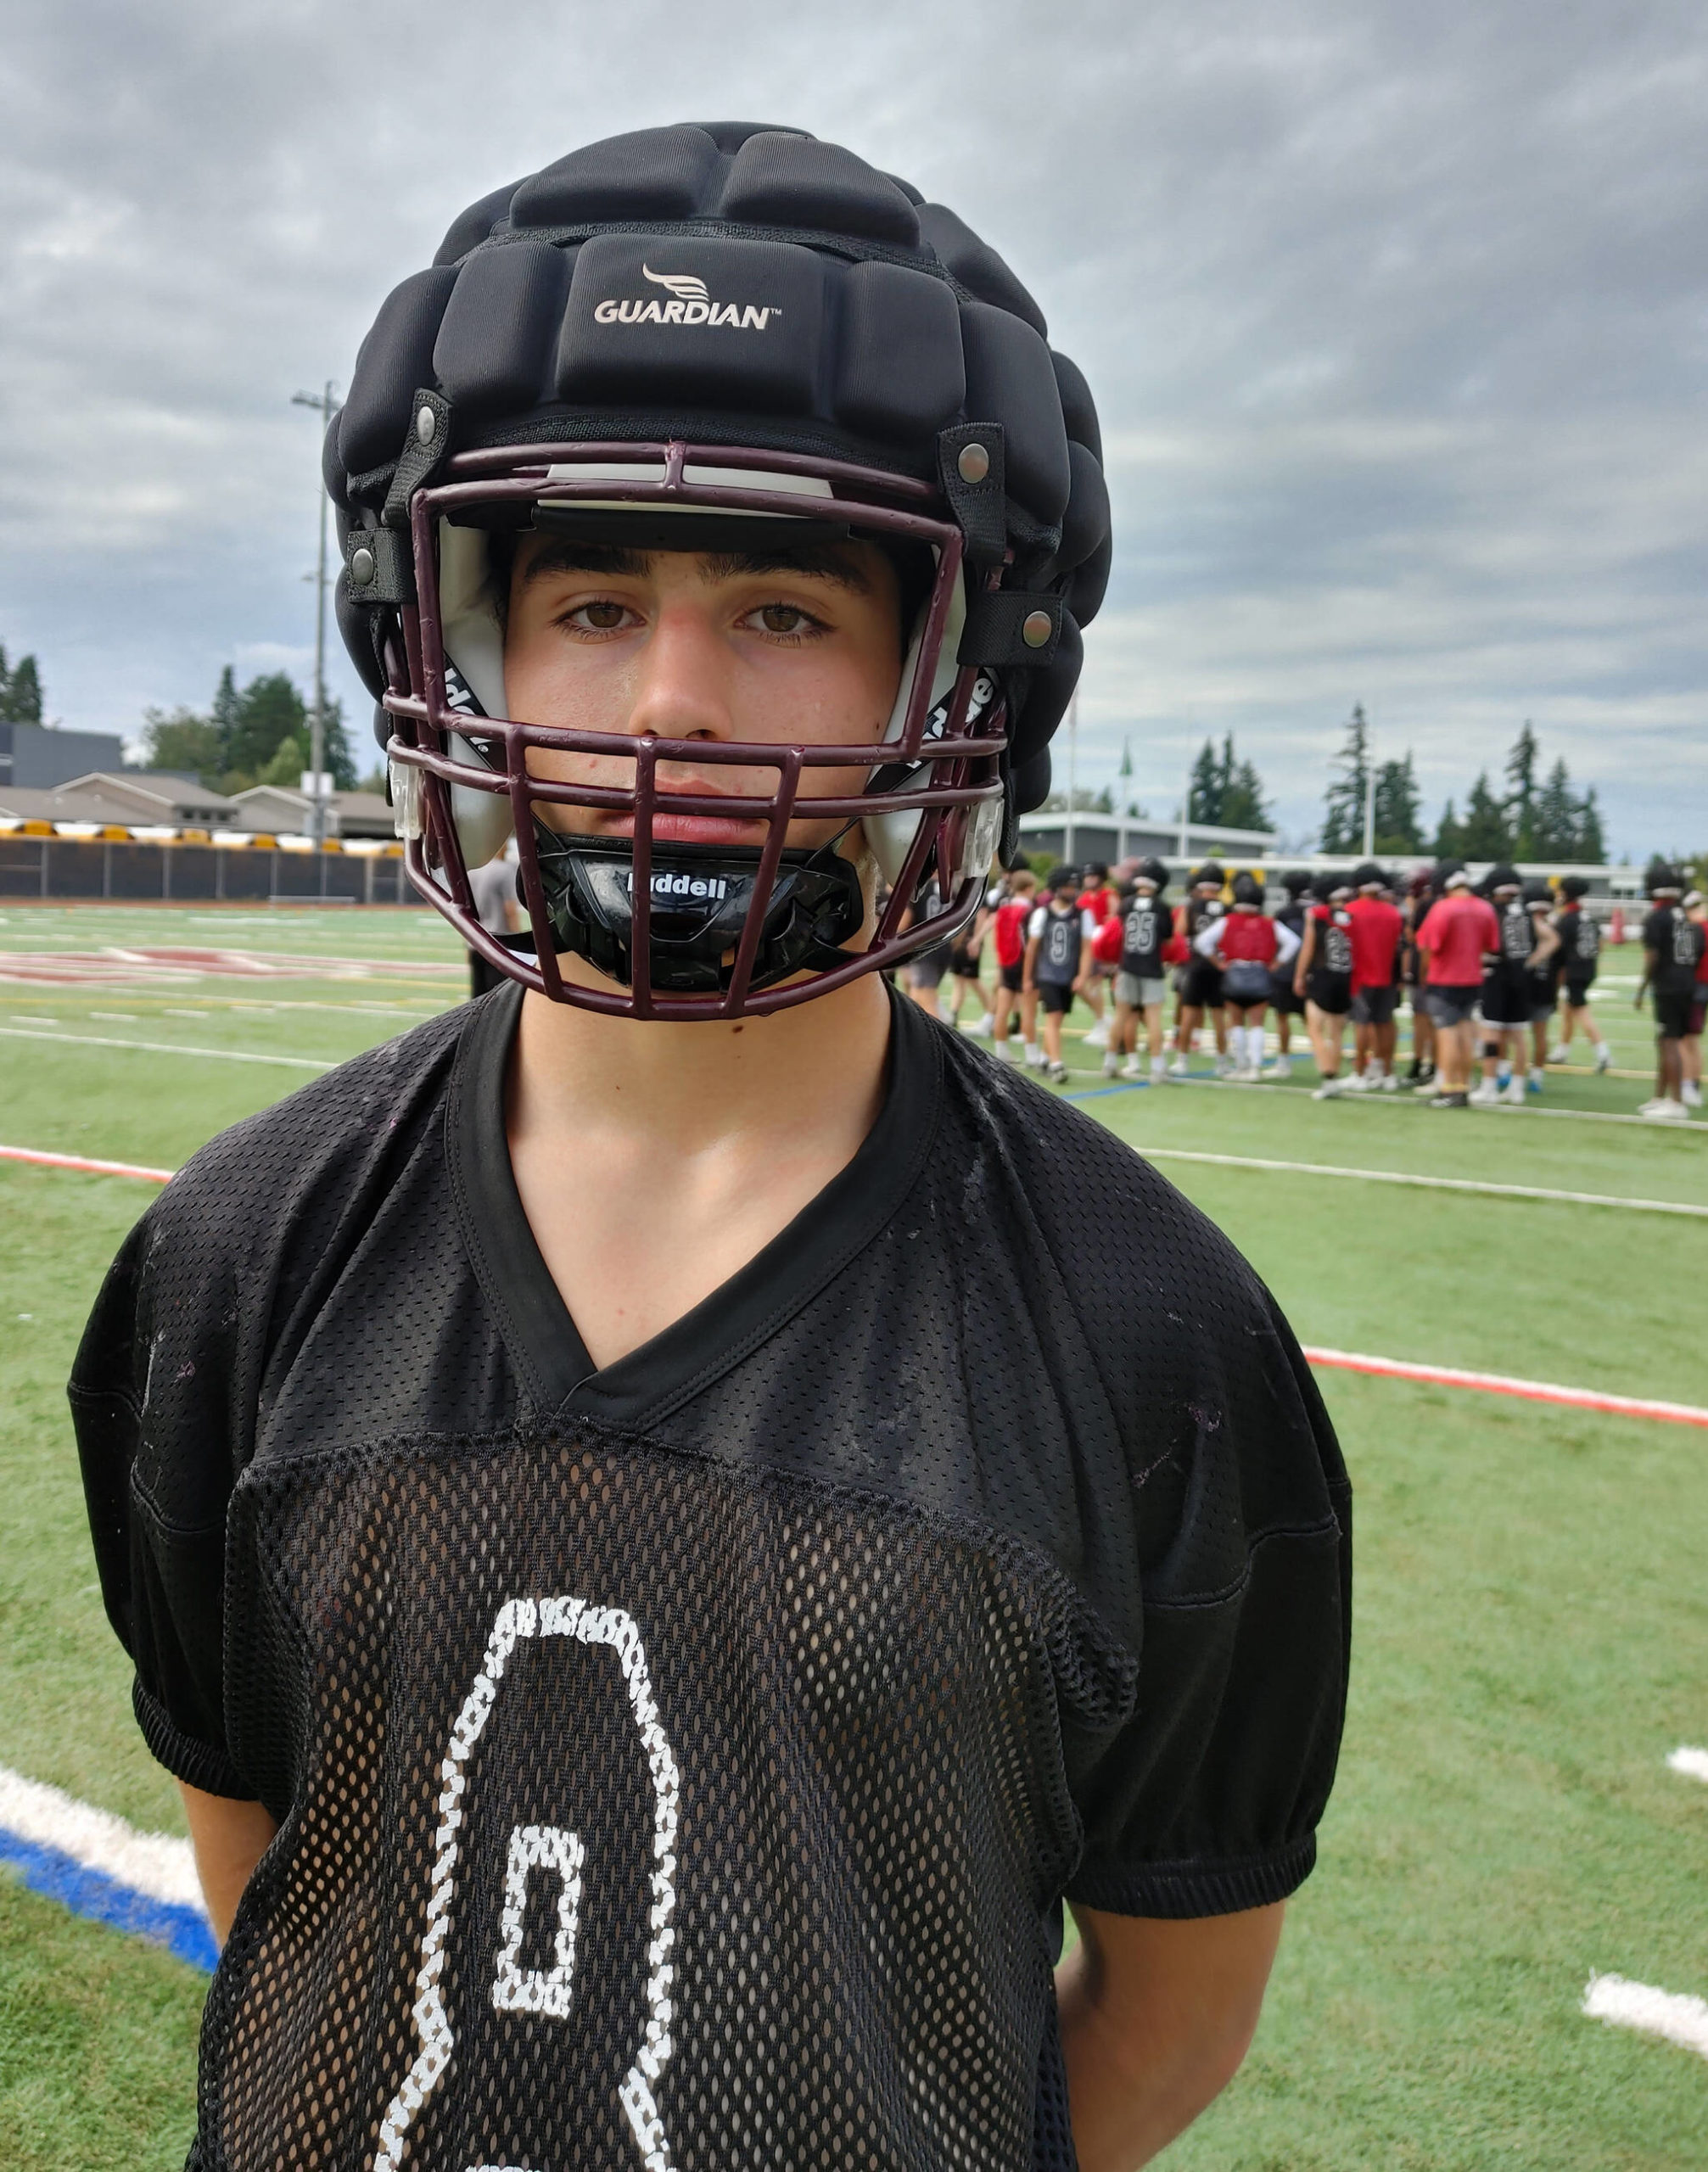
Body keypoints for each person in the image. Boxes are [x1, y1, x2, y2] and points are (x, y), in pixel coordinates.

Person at [71, 127, 1348, 2172]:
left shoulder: (1150, 1330)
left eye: (776, 607)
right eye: (588, 599)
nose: (667, 702)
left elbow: (1167, 2017)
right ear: (455, 644)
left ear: (955, 665)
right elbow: (273, 1867)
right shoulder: (247, 1242)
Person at [1193, 872, 1298, 1080]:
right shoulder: (1269, 923)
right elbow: (1293, 942)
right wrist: (1277, 964)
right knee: (1257, 1023)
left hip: (1234, 973)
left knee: (1236, 1021)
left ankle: (1241, 1065)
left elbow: (1202, 942)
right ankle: (1256, 1067)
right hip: (1260, 972)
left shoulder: (1228, 921)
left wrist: (1219, 963)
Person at [1414, 863, 1499, 1109]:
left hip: (1444, 979)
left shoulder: (1443, 908)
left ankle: (1448, 1088)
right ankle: (1462, 1087)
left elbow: (1429, 947)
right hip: (1472, 978)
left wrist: (1424, 975)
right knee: (1465, 1033)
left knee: (1448, 1035)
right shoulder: (1485, 908)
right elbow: (1490, 946)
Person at [1470, 867, 1555, 1106]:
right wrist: (1529, 963)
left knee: (1491, 1033)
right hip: (1522, 979)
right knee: (1518, 1036)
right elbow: (1551, 939)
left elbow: (1485, 944)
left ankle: (1489, 1086)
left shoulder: (1491, 911)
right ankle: (1517, 1088)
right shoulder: (1527, 913)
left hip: (1497, 976)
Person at [1635, 865, 1705, 1119]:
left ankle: (1675, 1102)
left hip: (1668, 985)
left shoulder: (1657, 917)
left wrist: (1642, 989)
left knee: (1669, 1041)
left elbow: (1652, 956)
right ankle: (1660, 1096)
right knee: (1665, 1040)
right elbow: (1698, 949)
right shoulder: (1686, 917)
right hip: (1687, 983)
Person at [1026, 867, 1091, 1083]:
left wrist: (1082, 975)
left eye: (1074, 887)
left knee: (1058, 1018)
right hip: (1048, 974)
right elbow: (1032, 949)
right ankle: (1057, 1065)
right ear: (1056, 888)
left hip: (1068, 975)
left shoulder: (1083, 915)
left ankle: (1045, 1059)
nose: (1072, 891)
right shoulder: (1042, 913)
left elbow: (1086, 948)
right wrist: (1027, 977)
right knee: (1053, 1018)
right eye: (1067, 886)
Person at [1293, 872, 1355, 1099]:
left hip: (1322, 975)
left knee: (1315, 1030)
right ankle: (1334, 1079)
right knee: (1337, 1033)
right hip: (1346, 975)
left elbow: (1308, 947)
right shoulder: (1353, 913)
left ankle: (1328, 1077)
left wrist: (1299, 976)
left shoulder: (1316, 914)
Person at [1344, 862, 1403, 1092]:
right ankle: (1387, 1073)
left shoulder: (1350, 911)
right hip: (1387, 974)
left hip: (1360, 976)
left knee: (1361, 1024)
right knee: (1386, 1023)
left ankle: (1359, 1072)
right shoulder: (1393, 913)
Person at [1111, 859, 1171, 1084]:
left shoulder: (1126, 903)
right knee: (1153, 1019)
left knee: (1122, 1016)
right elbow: (1168, 938)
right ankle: (1157, 1068)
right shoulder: (1162, 907)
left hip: (1127, 965)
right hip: (1152, 967)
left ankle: (1110, 1062)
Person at [1170, 864, 1231, 1078]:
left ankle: (1182, 1061)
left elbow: (1179, 934)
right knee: (1218, 1017)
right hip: (1219, 966)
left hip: (1195, 966)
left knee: (1188, 1015)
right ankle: (1222, 1062)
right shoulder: (1226, 908)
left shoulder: (1192, 906)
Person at [1545, 876, 1610, 1072]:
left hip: (1573, 971)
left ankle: (1602, 1052)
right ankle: (1562, 1050)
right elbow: (1600, 944)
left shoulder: (1567, 919)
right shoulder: (1588, 917)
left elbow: (1557, 948)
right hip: (1588, 968)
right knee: (1569, 1010)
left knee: (1581, 1012)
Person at [989, 867, 1040, 1066]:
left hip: (1006, 962)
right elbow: (1030, 945)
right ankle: (1032, 1054)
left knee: (1002, 1009)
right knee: (1028, 1011)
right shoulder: (1030, 912)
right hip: (1024, 963)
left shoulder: (1004, 909)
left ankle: (1001, 1049)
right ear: (1028, 888)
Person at [1264, 870, 1312, 1080]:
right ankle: (1325, 1059)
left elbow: (1275, 943)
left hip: (1285, 971)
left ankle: (1283, 1062)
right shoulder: (1316, 911)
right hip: (1309, 971)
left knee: (1282, 1018)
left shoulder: (1285, 913)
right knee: (1310, 1020)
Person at [1520, 877, 1562, 1089]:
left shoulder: (1527, 924)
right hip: (1547, 987)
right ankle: (1536, 1076)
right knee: (1540, 1034)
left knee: (1515, 1033)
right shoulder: (1553, 924)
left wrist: (1529, 964)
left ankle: (1510, 1073)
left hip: (1527, 987)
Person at [1397, 869, 1436, 1088]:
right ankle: (1431, 1066)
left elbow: (1413, 936)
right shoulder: (1439, 903)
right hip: (1435, 969)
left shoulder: (1424, 906)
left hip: (1424, 968)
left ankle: (1422, 1065)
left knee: (1423, 1021)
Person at [467, 842, 523, 997]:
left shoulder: (473, 872)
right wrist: (517, 943)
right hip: (499, 943)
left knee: (477, 998)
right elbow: (510, 909)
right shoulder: (504, 871)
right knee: (498, 997)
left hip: (476, 942)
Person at [1077, 863, 1117, 1050]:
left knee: (1096, 985)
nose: (1089, 880)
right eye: (1087, 876)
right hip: (1088, 945)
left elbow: (1115, 919)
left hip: (1103, 945)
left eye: (1093, 876)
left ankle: (1101, 1023)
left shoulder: (1109, 895)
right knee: (1082, 987)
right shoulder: (1084, 898)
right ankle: (1101, 1018)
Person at [1683, 889, 1708, 1109]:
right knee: (1692, 1039)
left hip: (1697, 986)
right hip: (1702, 985)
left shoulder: (1697, 929)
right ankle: (1691, 1084)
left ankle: (1690, 1085)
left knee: (1687, 1039)